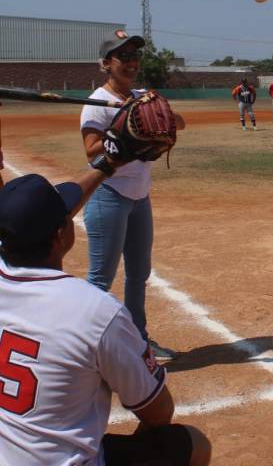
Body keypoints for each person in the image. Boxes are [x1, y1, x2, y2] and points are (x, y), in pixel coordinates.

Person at [0, 169, 211, 465]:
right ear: (60, 234)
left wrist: (108, 163)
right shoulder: (95, 310)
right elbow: (158, 412)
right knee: (192, 444)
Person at [80, 31, 184, 361]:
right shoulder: (95, 103)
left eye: (133, 56)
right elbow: (91, 153)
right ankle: (86, 349)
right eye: (122, 57)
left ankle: (138, 340)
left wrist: (160, 115)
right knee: (100, 280)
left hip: (140, 197)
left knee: (138, 274)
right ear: (106, 64)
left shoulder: (142, 97)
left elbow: (178, 122)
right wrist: (121, 131)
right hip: (109, 196)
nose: (130, 63)